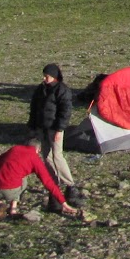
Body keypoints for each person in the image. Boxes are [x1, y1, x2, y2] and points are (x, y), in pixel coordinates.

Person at [0, 144, 79, 218]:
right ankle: (13, 209)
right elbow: (48, 182)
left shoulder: (15, 149)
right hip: (11, 190)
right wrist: (63, 203)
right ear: (38, 150)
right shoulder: (35, 158)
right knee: (23, 179)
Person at [28, 63, 75, 192]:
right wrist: (32, 126)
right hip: (42, 128)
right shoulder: (41, 89)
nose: (44, 78)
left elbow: (65, 112)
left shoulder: (62, 90)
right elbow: (34, 108)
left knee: (57, 155)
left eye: (46, 76)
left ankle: (69, 184)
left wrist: (59, 129)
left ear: (54, 76)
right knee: (47, 157)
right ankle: (54, 182)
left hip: (54, 128)